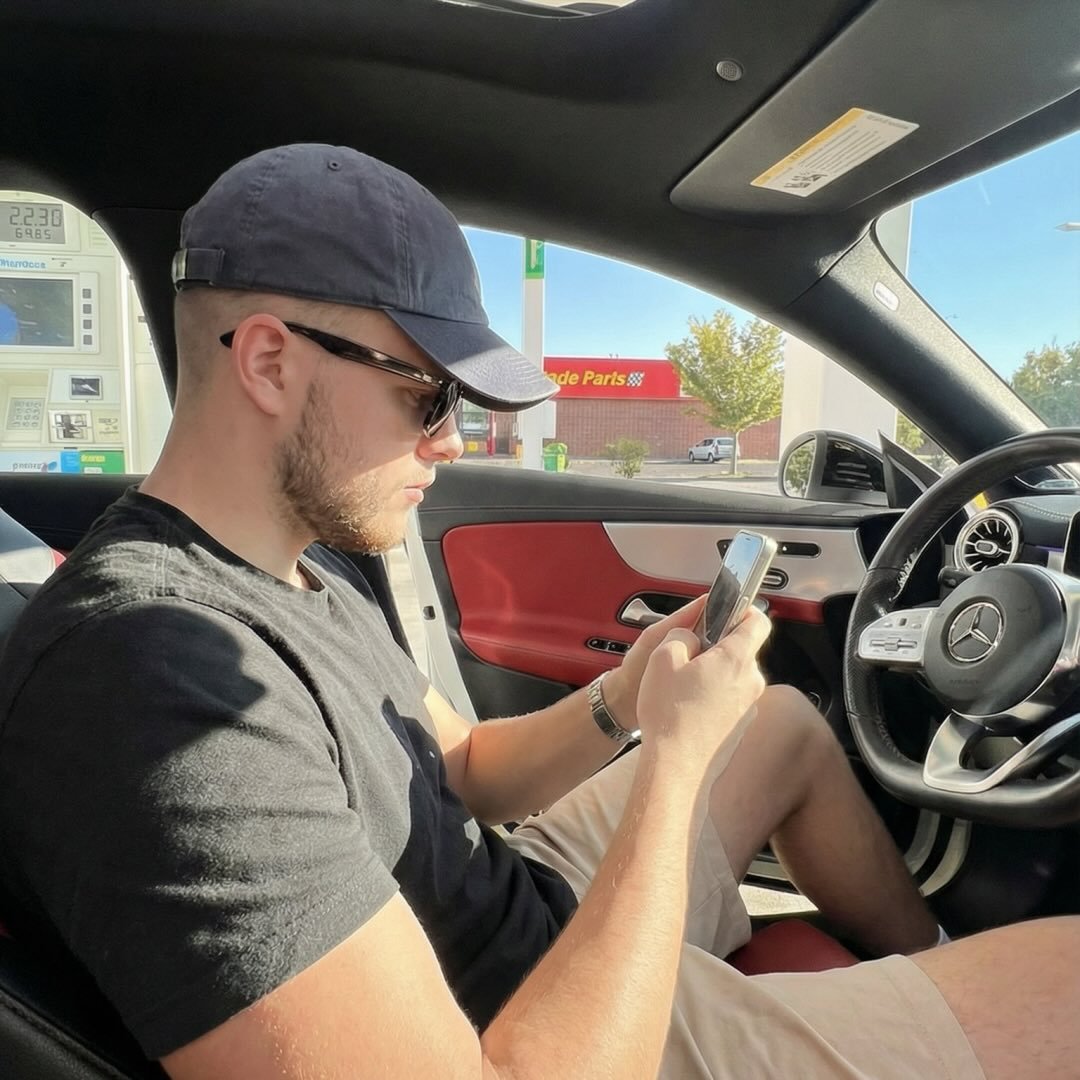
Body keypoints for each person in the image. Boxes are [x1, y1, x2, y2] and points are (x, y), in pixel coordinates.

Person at [0, 144, 1075, 1080]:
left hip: (515, 905)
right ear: (271, 361)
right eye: (427, 395)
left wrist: (627, 699)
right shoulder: (156, 687)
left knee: (780, 725)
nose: (454, 442)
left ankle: (925, 977)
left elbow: (462, 762)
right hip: (543, 1030)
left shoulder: (286, 570)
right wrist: (673, 766)